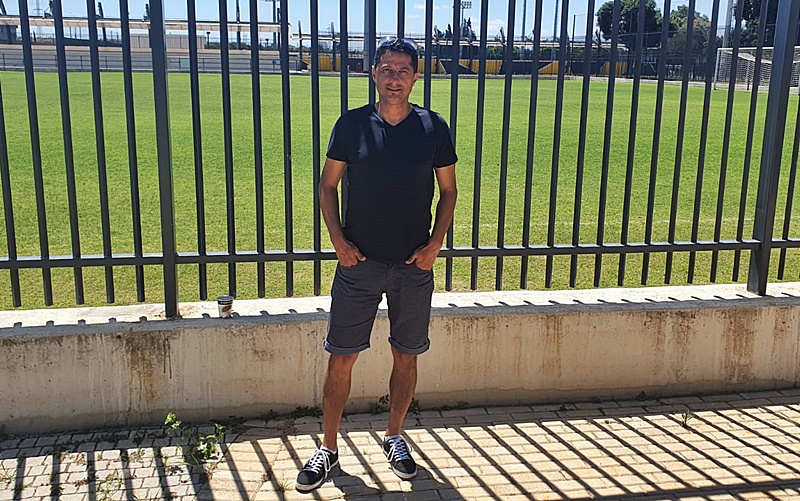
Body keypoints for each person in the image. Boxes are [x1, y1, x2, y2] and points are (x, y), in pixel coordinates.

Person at [295, 37, 458, 493]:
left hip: (413, 265)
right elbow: (328, 185)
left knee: (406, 355)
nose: (394, 78)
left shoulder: (433, 127)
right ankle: (328, 447)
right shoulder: (351, 125)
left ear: (416, 77)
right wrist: (338, 240)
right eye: (387, 69)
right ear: (373, 73)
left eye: (403, 70)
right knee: (341, 357)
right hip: (359, 263)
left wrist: (435, 245)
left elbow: (448, 191)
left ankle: (394, 436)